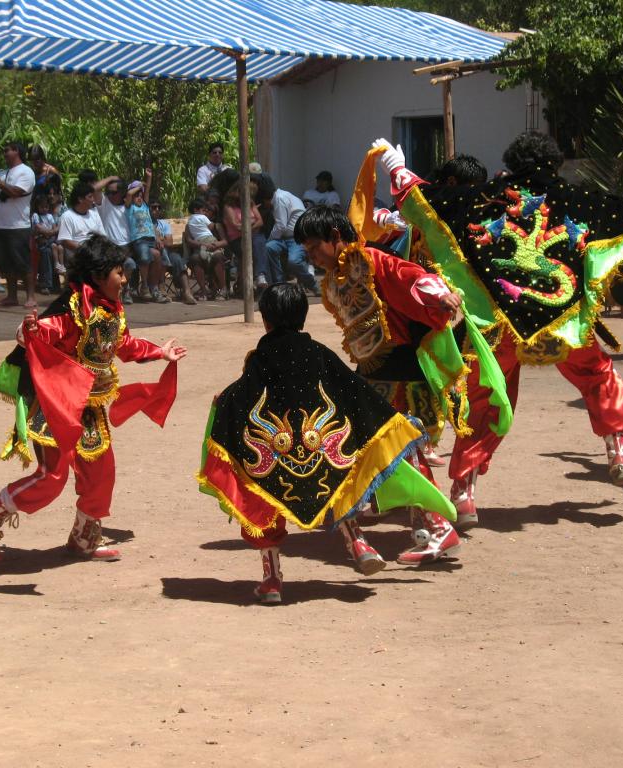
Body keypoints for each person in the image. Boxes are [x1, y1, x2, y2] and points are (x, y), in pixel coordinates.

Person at [378, 132, 623, 525]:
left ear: (512, 162)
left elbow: (423, 200)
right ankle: (618, 448)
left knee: (484, 401)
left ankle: (464, 491)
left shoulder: (484, 198)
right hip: (565, 324)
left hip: (504, 326)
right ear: (554, 163)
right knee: (597, 375)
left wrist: (396, 167)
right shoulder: (577, 199)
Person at [199, 283, 457, 602]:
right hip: (321, 444)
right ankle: (358, 544)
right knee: (340, 480)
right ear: (303, 318)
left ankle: (272, 580)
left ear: (265, 320)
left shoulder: (260, 357)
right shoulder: (318, 352)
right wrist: (388, 417)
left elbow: (245, 393)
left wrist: (222, 401)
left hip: (275, 453)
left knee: (264, 502)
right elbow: (351, 387)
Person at [293, 205, 503, 564]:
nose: (311, 256)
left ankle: (438, 528)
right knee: (382, 445)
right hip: (375, 371)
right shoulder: (337, 278)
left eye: (314, 247)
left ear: (335, 237)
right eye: (307, 250)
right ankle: (415, 518)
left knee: (398, 447)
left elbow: (412, 276)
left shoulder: (373, 261)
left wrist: (439, 296)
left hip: (403, 372)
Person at [0, 235, 187, 561]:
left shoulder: (110, 310)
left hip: (90, 408)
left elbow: (123, 345)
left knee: (101, 472)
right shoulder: (72, 309)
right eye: (118, 273)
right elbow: (44, 331)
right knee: (51, 478)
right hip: (57, 406)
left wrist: (158, 352)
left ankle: (84, 540)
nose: (125, 280)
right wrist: (31, 332)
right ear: (98, 276)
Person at [0, 141, 36, 308]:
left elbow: (15, 192)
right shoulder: (5, 172)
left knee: (23, 262)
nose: (5, 153)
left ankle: (31, 297)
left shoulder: (26, 172)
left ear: (17, 151)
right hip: (0, 225)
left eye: (7, 150)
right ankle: (12, 296)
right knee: (6, 263)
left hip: (18, 226)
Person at [265, 180, 319, 295]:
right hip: (284, 238)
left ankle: (312, 284)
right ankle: (280, 284)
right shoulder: (280, 196)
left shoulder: (279, 199)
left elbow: (280, 226)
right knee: (268, 248)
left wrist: (269, 238)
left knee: (294, 262)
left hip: (296, 237)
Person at [125, 171, 170, 303]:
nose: (139, 197)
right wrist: (140, 186)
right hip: (139, 239)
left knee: (158, 256)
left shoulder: (145, 206)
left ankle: (154, 288)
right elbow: (128, 194)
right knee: (145, 258)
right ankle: (144, 285)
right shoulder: (130, 208)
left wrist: (149, 178)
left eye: (141, 195)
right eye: (137, 196)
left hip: (150, 238)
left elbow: (147, 190)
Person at [94, 176, 138, 304]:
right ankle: (122, 290)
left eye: (113, 192)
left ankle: (126, 289)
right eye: (107, 191)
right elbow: (95, 188)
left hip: (129, 246)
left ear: (122, 193)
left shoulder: (129, 206)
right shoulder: (105, 203)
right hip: (110, 248)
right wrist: (112, 178)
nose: (108, 195)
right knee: (127, 263)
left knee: (135, 262)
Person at [151, 199, 196, 305]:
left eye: (159, 208)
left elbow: (170, 242)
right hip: (152, 252)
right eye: (153, 207)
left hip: (167, 252)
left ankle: (187, 292)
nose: (157, 210)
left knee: (177, 259)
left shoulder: (164, 224)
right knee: (160, 255)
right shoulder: (144, 224)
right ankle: (161, 285)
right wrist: (161, 239)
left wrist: (159, 239)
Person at [184, 197, 229, 301]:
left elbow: (225, 241)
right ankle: (204, 290)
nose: (206, 213)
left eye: (208, 211)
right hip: (201, 249)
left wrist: (215, 244)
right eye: (204, 210)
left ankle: (223, 289)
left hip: (215, 248)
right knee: (195, 258)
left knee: (217, 256)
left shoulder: (217, 226)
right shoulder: (191, 225)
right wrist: (202, 244)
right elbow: (189, 240)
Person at [58, 180, 106, 259]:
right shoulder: (67, 216)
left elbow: (103, 236)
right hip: (79, 259)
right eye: (90, 197)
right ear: (80, 199)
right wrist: (88, 251)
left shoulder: (95, 214)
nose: (93, 200)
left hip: (98, 254)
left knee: (128, 263)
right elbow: (66, 241)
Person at [31, 192, 64, 293]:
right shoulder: (35, 216)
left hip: (49, 240)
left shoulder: (50, 216)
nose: (44, 209)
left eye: (46, 207)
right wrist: (51, 232)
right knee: (46, 253)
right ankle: (45, 284)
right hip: (41, 242)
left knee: (56, 249)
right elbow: (39, 229)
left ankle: (55, 281)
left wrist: (49, 232)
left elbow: (54, 229)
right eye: (42, 207)